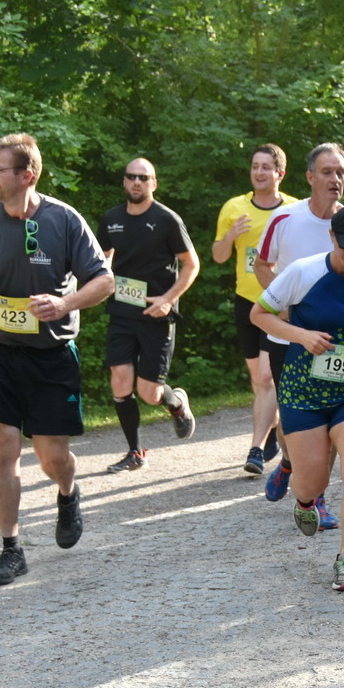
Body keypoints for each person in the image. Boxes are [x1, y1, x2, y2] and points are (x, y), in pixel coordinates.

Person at [0, 133, 115, 586]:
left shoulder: (64, 220)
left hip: (52, 353)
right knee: (3, 447)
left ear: (26, 175)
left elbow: (105, 281)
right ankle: (11, 549)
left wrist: (65, 304)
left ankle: (68, 492)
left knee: (52, 454)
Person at [250, 204, 344, 591]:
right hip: (302, 390)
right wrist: (302, 336)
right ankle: (306, 499)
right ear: (332, 237)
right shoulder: (303, 272)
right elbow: (258, 315)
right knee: (310, 484)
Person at [256, 143, 344, 525]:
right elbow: (261, 264)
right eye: (327, 172)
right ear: (309, 177)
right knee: (296, 425)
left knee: (333, 420)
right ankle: (291, 464)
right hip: (288, 337)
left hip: (336, 345)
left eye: (340, 172)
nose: (335, 179)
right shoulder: (285, 218)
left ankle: (316, 496)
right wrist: (290, 314)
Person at [97, 158, 200, 473]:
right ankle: (135, 452)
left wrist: (169, 299)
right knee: (120, 380)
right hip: (122, 311)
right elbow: (102, 258)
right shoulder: (111, 218)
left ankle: (176, 402)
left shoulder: (167, 219)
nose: (137, 182)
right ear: (124, 182)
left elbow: (191, 264)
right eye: (131, 177)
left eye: (144, 177)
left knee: (149, 392)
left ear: (154, 183)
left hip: (157, 313)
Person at [213, 144, 295, 476]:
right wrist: (231, 235)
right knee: (260, 381)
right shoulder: (234, 207)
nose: (259, 172)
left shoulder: (292, 209)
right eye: (255, 166)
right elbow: (218, 256)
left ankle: (256, 450)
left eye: (266, 167)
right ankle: (273, 428)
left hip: (277, 305)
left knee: (265, 377)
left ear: (280, 173)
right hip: (246, 302)